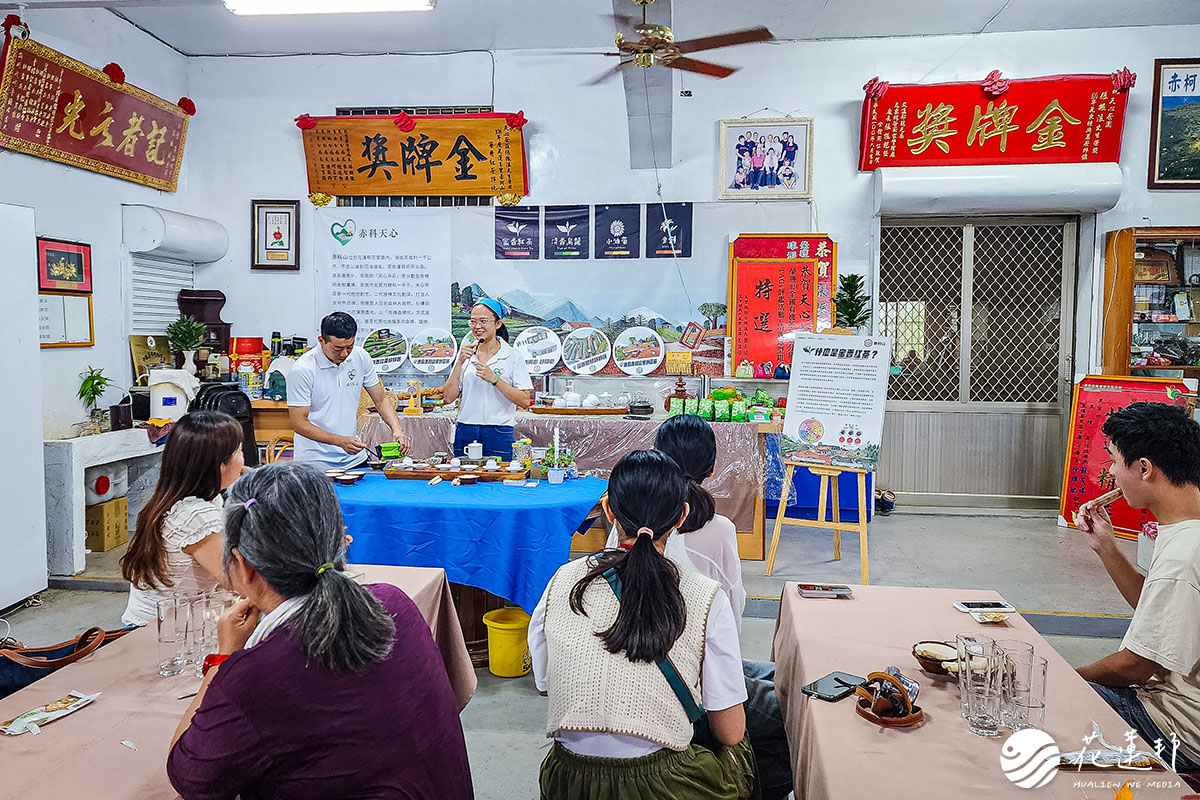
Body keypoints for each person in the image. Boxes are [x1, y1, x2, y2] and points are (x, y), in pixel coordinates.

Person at [167, 462, 474, 800]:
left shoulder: (254, 675)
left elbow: (189, 777)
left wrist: (224, 659)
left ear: (244, 566)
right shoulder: (394, 603)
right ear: (339, 536)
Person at [530, 450, 756, 799]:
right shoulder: (705, 596)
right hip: (666, 784)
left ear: (608, 510)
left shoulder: (563, 581)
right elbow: (730, 732)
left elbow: (545, 683)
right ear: (682, 516)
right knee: (743, 745)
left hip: (568, 779)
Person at [1076, 402, 1200, 770]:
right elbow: (1160, 613)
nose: (1111, 473)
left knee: (1032, 697)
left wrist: (1063, 677)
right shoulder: (1186, 527)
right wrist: (1106, 547)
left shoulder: (1184, 554)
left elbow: (1134, 666)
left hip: (1176, 728)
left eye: (1114, 460)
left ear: (1144, 468)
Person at [120, 411, 245, 627]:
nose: (244, 461)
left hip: (168, 624)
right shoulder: (196, 516)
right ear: (220, 465)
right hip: (159, 635)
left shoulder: (180, 497)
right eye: (240, 451)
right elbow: (239, 582)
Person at [287, 312, 410, 470]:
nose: (344, 354)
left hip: (353, 458)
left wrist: (397, 430)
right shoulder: (303, 369)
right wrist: (339, 441)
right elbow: (299, 423)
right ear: (321, 341)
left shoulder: (361, 357)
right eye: (337, 348)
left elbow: (380, 399)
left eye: (349, 347)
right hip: (315, 462)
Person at [442, 299, 533, 460]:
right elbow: (448, 397)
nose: (477, 327)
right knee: (465, 480)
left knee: (499, 480)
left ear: (497, 324)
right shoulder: (466, 354)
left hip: (499, 431)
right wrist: (459, 362)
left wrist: (495, 380)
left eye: (483, 321)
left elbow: (525, 400)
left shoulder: (512, 356)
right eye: (473, 321)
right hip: (466, 429)